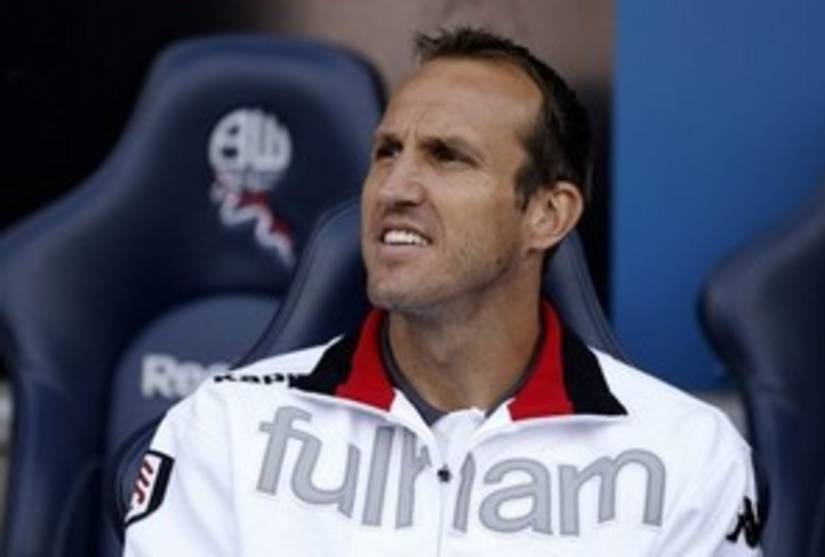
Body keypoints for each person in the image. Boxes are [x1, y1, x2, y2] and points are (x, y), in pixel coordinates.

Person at [123, 28, 762, 556]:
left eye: (447, 156)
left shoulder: (686, 455)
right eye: (387, 152)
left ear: (547, 214)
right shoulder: (228, 427)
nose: (394, 188)